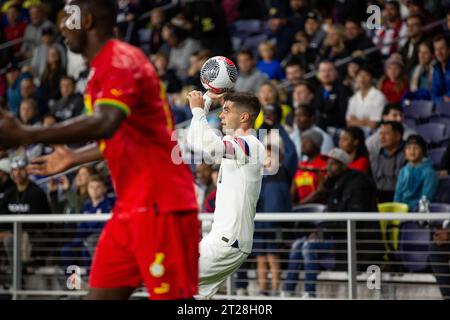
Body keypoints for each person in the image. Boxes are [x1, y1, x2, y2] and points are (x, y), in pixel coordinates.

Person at [0, 0, 198, 300]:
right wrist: (75, 157)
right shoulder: (99, 71)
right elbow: (120, 135)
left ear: (87, 20)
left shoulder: (119, 60)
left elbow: (105, 122)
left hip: (162, 205)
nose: (61, 27)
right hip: (129, 208)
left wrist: (26, 134)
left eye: (67, 19)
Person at [186, 91, 265, 299]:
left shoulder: (251, 144)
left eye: (226, 110)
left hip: (228, 242)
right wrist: (206, 101)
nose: (221, 115)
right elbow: (196, 140)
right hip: (221, 239)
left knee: (172, 276)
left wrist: (198, 108)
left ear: (244, 117)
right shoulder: (236, 143)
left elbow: (211, 144)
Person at [254, 142, 291, 296]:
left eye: (271, 155)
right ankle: (263, 290)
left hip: (273, 224)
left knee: (273, 257)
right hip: (259, 224)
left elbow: (280, 201)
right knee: (260, 258)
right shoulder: (257, 174)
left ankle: (276, 290)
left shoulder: (282, 174)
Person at [60, 175, 114, 269]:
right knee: (67, 249)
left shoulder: (110, 204)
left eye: (98, 187)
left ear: (104, 189)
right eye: (91, 187)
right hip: (87, 239)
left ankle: (90, 279)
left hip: (102, 239)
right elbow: (82, 227)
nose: (94, 190)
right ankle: (72, 282)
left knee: (89, 243)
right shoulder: (86, 206)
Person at [394, 135, 438, 211]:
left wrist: (410, 210)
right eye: (408, 148)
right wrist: (396, 209)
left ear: (423, 152)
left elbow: (426, 197)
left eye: (416, 148)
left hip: (419, 213)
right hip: (402, 212)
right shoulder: (403, 171)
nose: (412, 151)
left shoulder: (429, 172)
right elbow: (398, 194)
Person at [370, 121, 406, 203]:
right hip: (378, 197)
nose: (382, 137)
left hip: (399, 199)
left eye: (386, 134)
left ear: (397, 136)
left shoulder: (408, 156)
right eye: (381, 134)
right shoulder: (375, 157)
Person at [313, 60, 353, 131]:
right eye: (323, 71)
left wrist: (325, 117)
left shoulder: (344, 90)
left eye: (330, 70)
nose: (326, 74)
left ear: (336, 72)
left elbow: (343, 115)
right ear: (319, 74)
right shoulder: (316, 90)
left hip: (338, 128)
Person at [292, 129, 328, 204]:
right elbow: (293, 190)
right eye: (302, 141)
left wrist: (300, 204)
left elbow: (322, 191)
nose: (303, 144)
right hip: (300, 210)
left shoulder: (324, 163)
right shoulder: (301, 165)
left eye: (307, 141)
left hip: (318, 209)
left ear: (316, 144)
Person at [346, 67, 387, 132]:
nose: (362, 78)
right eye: (360, 75)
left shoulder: (379, 96)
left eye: (366, 75)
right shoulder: (353, 98)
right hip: (355, 132)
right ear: (356, 78)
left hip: (374, 132)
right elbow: (349, 122)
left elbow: (374, 124)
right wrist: (365, 121)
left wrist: (357, 120)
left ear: (372, 78)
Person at [431, 35, 450, 103]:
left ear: (449, 49)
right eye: (436, 49)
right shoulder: (436, 69)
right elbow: (433, 94)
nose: (438, 53)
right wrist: (442, 99)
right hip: (442, 109)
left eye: (442, 48)